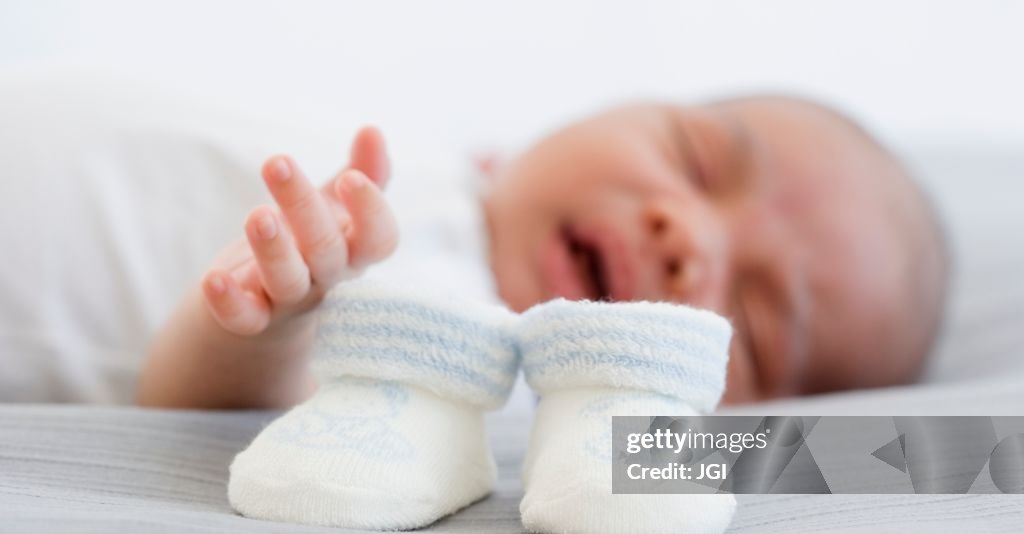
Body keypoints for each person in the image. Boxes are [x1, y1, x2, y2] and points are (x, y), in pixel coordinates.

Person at [137, 95, 948, 408]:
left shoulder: (482, 372)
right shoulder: (435, 157)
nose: (688, 239)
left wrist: (277, 324)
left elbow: (219, 429)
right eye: (696, 158)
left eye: (755, 319)